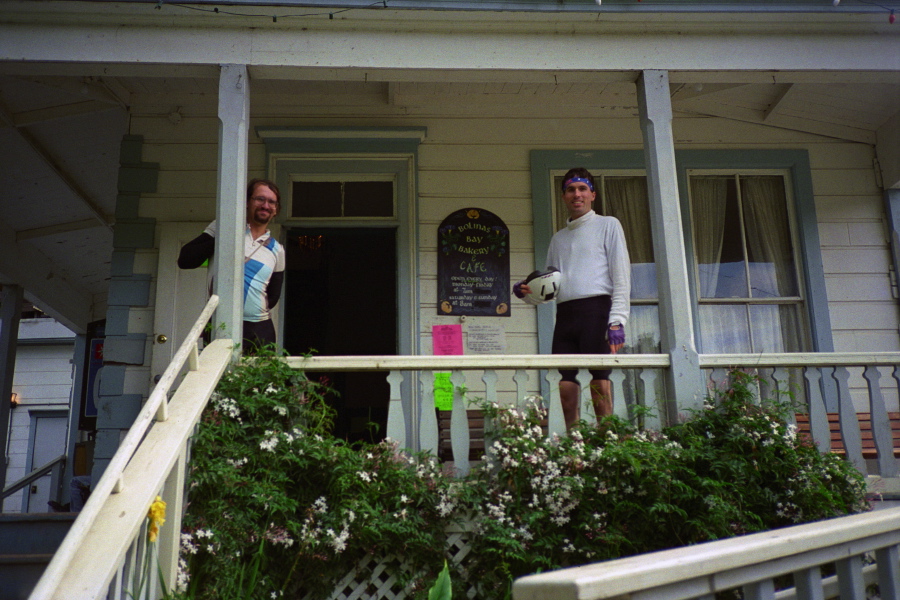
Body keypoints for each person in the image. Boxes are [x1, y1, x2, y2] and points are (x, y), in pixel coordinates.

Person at [514, 167, 631, 428]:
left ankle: (607, 442)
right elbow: (549, 288)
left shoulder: (608, 225)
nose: (576, 194)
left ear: (592, 194)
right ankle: (574, 446)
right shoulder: (558, 239)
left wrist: (617, 320)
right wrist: (526, 292)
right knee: (565, 384)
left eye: (582, 189)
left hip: (597, 311)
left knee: (599, 381)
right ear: (564, 196)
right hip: (566, 317)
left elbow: (621, 277)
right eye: (570, 189)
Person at [178, 178, 286, 352]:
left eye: (271, 202)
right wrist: (227, 234)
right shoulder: (222, 227)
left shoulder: (277, 250)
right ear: (247, 202)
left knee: (260, 379)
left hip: (260, 329)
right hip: (221, 322)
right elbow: (185, 260)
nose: (265, 205)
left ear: (276, 210)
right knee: (219, 377)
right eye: (259, 199)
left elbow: (272, 296)